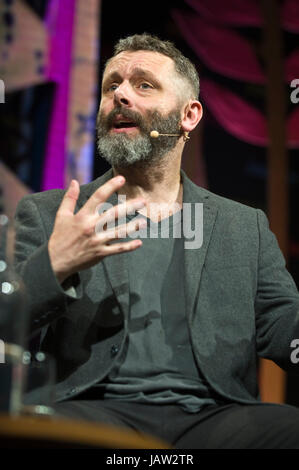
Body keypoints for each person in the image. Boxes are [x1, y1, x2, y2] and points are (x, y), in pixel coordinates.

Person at [14, 33, 299, 449]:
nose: (121, 96)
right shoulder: (53, 214)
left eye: (144, 84)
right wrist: (52, 266)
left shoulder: (243, 226)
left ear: (189, 115)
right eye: (112, 85)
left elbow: (283, 327)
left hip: (217, 418)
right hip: (90, 411)